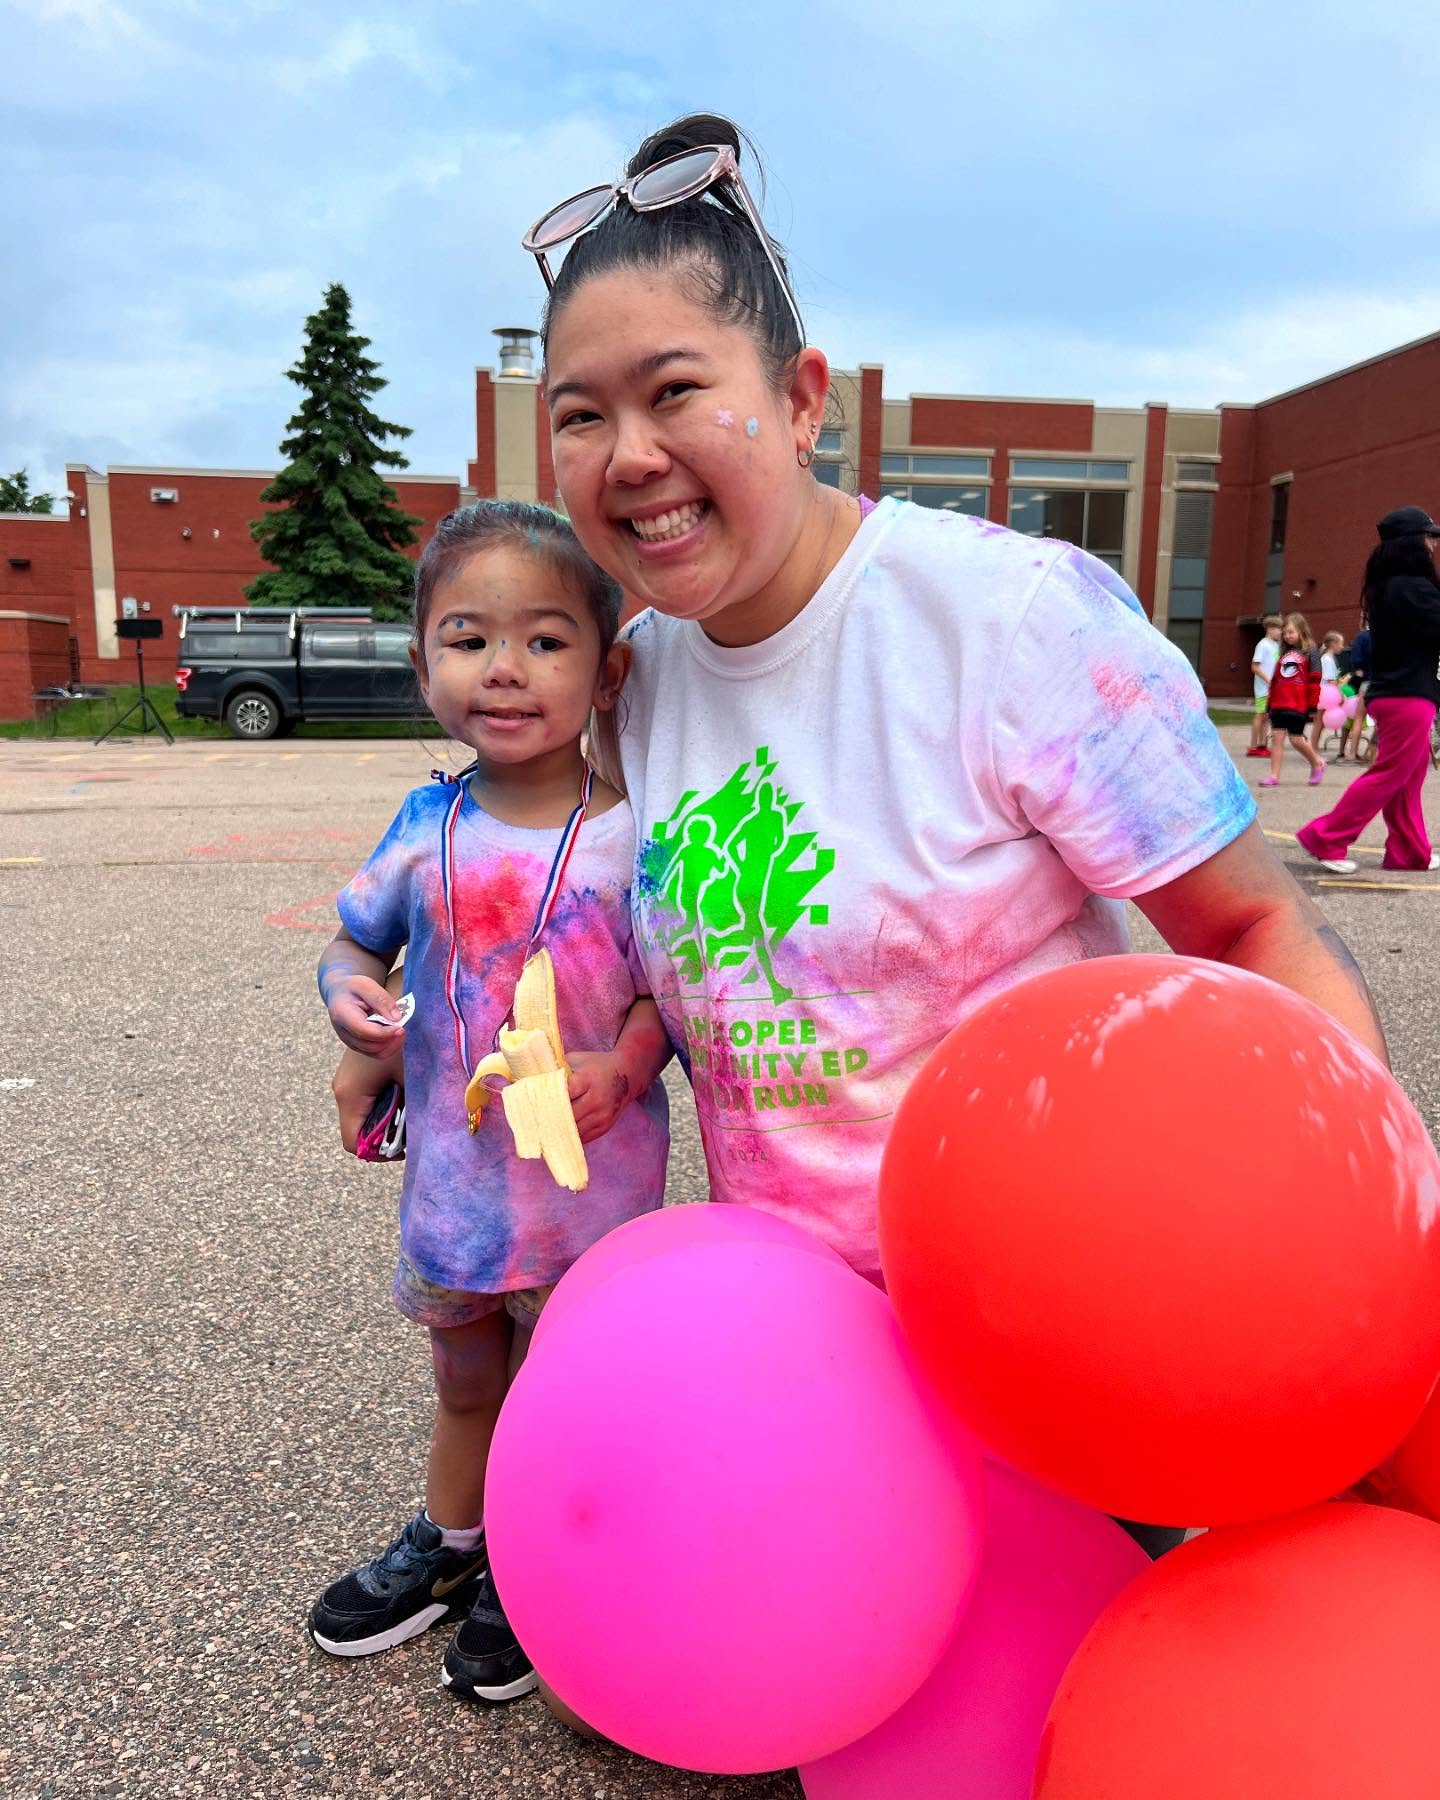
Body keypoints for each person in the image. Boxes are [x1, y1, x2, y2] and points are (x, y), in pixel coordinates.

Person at [333, 101, 1390, 1642]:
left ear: (802, 393)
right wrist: (402, 1042)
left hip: (1074, 1332)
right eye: (578, 413)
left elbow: (1250, 928)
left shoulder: (1014, 625)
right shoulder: (635, 674)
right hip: (809, 1373)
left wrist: (1344, 1262)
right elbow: (525, 890)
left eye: (676, 390)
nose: (631, 458)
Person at [310, 502, 670, 1701]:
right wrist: (354, 1010)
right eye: (468, 640)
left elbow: (662, 1001)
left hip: (586, 1209)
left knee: (566, 1396)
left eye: (546, 642)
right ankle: (452, 1544)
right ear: (425, 668)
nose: (504, 669)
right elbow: (353, 951)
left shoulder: (636, 843)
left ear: (608, 670)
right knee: (465, 1384)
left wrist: (619, 1068)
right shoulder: (428, 826)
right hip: (457, 1205)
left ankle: (534, 1567)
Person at [1297, 507, 1440, 874]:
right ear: (1411, 543)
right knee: (1392, 773)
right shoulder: (1414, 589)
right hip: (1409, 695)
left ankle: (1410, 852)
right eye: (1428, 537)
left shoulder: (1388, 587)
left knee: (1409, 773)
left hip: (1397, 692)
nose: (1432, 545)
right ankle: (1327, 837)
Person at [1259, 613, 1326, 787]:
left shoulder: (1311, 652)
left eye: (1291, 632)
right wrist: (1269, 704)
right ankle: (1274, 776)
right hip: (1278, 704)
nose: (1288, 636)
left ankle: (1317, 763)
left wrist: (1312, 706)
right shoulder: (1283, 654)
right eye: (1285, 633)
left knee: (1296, 739)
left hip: (1298, 705)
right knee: (1277, 738)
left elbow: (1315, 681)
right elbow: (1275, 680)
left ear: (1302, 631)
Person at [1336, 621, 1373, 763]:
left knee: (1358, 718)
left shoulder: (1362, 637)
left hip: (1367, 683)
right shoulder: (1387, 634)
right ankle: (1373, 754)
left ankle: (1352, 753)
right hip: (1385, 683)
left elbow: (1356, 659)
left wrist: (1358, 667)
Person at [1248, 615, 1282, 758]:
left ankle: (1262, 744)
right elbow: (1254, 667)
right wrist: (1268, 680)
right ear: (1269, 629)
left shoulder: (1275, 645)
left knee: (1266, 716)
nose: (1281, 632)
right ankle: (1253, 746)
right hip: (1263, 688)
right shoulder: (1262, 645)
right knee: (1260, 714)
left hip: (1272, 688)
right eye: (1278, 629)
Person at [1309, 631, 1346, 753]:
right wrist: (1340, 695)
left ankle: (1314, 747)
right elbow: (1331, 682)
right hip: (1324, 695)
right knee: (1319, 723)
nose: (1342, 646)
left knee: (1319, 723)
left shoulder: (1329, 658)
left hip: (1324, 695)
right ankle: (1313, 748)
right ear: (1333, 644)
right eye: (1340, 644)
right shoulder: (1328, 659)